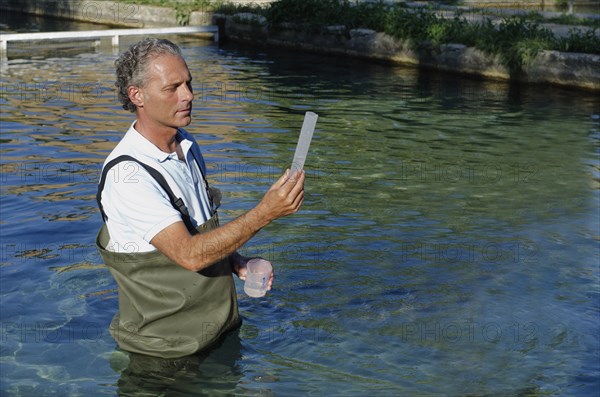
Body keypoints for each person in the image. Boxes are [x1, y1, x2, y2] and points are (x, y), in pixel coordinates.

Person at [95, 38, 305, 359]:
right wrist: (266, 213)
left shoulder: (187, 145)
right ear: (136, 95)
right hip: (165, 357)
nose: (188, 95)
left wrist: (237, 262)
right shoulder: (129, 176)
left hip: (219, 333)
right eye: (172, 87)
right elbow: (189, 254)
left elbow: (199, 231)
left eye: (189, 83)